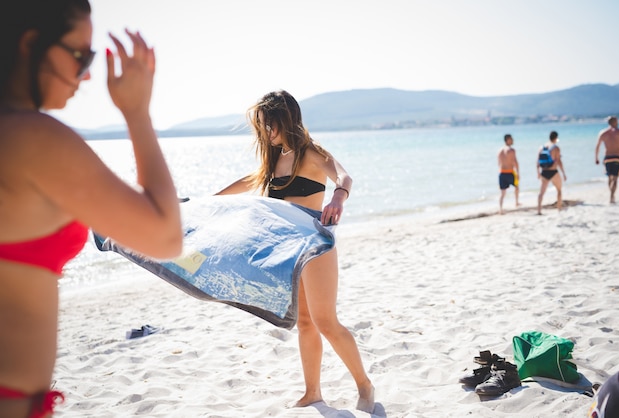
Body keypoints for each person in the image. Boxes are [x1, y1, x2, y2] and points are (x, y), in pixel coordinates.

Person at [0, 1, 183, 417]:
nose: (86, 75)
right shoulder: (33, 139)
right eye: (80, 56)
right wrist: (137, 112)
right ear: (31, 44)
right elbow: (166, 236)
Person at [215, 90, 375, 413]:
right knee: (304, 322)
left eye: (267, 124)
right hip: (289, 249)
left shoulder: (312, 153)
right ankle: (313, 392)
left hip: (316, 245)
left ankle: (364, 385)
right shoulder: (274, 161)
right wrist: (211, 200)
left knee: (326, 321)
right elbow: (248, 182)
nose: (264, 131)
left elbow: (344, 177)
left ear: (283, 120)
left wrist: (338, 198)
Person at [595, 116, 619, 204]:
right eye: (617, 121)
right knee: (615, 178)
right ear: (614, 122)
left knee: (609, 177)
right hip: (618, 157)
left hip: (607, 158)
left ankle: (611, 194)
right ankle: (612, 196)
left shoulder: (603, 133)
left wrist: (596, 158)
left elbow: (597, 146)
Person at [537, 131, 567, 215]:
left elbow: (538, 162)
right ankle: (559, 208)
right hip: (553, 172)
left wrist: (538, 172)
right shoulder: (556, 148)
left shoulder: (541, 147)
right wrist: (564, 173)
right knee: (559, 190)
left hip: (544, 172)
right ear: (556, 138)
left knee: (541, 193)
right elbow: (559, 161)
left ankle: (539, 210)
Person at [497, 134, 520, 214]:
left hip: (501, 173)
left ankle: (500, 208)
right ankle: (516, 202)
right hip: (510, 172)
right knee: (516, 187)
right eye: (511, 139)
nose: (513, 140)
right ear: (508, 140)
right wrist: (518, 172)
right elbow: (515, 162)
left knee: (502, 193)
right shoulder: (511, 150)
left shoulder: (500, 151)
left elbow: (499, 163)